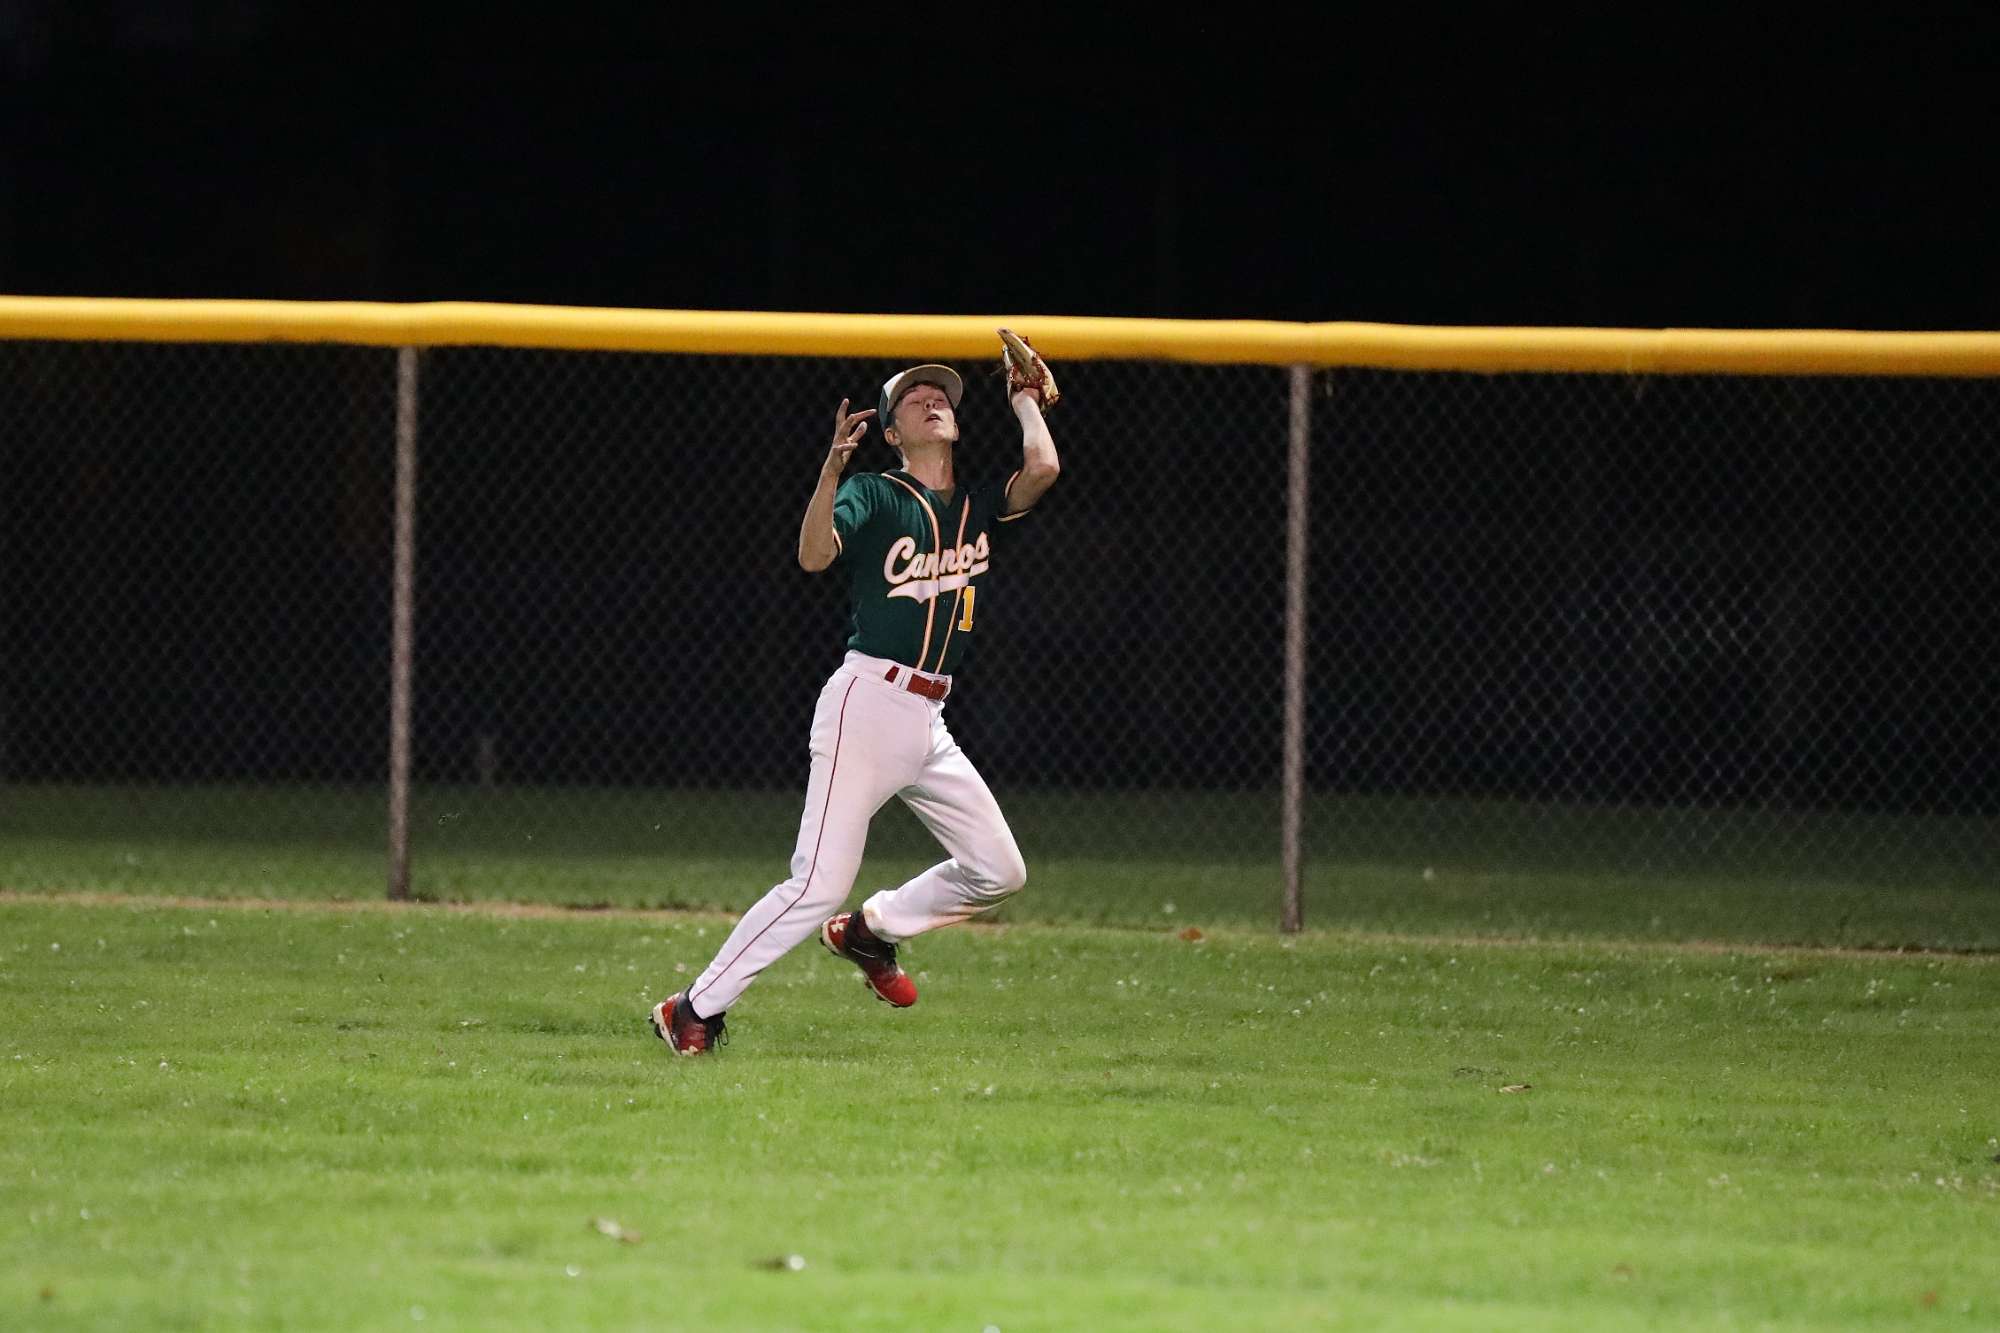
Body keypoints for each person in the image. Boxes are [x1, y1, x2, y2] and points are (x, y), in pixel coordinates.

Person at [650, 333, 1060, 1053]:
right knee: (816, 884)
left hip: (929, 717)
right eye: (914, 399)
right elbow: (814, 556)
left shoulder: (974, 504)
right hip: (867, 705)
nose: (932, 401)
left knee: (999, 870)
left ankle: (871, 931)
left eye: (941, 396)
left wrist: (1026, 402)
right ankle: (692, 1009)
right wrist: (831, 471)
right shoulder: (875, 491)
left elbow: (1044, 467)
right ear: (892, 433)